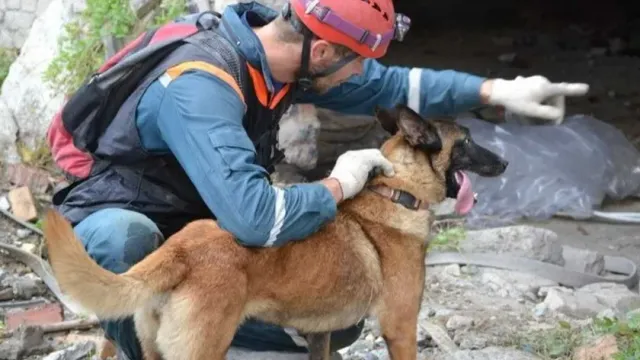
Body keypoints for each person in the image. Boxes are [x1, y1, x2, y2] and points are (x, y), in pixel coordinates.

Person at [47, 0, 589, 359]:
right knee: (126, 241)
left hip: (197, 229)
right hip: (122, 217)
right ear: (323, 51)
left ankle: (192, 329)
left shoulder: (281, 63)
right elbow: (254, 218)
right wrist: (339, 184)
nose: (361, 77)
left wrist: (494, 90)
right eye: (355, 63)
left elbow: (394, 84)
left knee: (340, 314)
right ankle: (139, 341)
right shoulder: (200, 85)